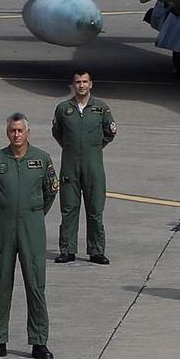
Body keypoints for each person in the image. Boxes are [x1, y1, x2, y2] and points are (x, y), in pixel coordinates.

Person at [0, 113, 58, 359]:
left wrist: (33, 214)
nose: (16, 135)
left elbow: (50, 193)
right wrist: (5, 212)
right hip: (3, 227)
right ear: (8, 133)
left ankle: (39, 342)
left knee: (35, 284)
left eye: (20, 130)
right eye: (12, 131)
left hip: (31, 227)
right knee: (1, 283)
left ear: (28, 132)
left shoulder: (42, 159)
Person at [50, 68, 116, 265]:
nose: (81, 85)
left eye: (84, 82)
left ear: (91, 84)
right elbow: (57, 132)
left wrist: (93, 147)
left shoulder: (101, 108)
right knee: (69, 208)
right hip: (70, 165)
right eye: (78, 82)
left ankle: (96, 251)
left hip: (93, 166)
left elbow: (110, 132)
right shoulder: (63, 109)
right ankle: (67, 249)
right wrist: (72, 147)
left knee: (95, 209)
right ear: (74, 84)